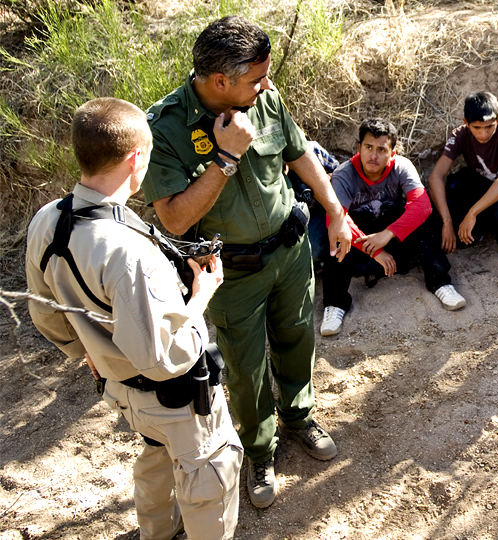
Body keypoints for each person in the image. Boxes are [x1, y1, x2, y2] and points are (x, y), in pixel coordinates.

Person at [141, 16, 351, 508]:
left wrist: (336, 213)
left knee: (298, 338)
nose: (268, 85)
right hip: (230, 272)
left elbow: (300, 155)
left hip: (291, 251)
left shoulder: (263, 96)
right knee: (245, 367)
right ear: (220, 81)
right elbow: (173, 218)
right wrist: (225, 157)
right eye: (256, 78)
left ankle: (298, 416)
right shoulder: (165, 128)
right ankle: (260, 450)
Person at [25, 98, 242, 539]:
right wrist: (200, 297)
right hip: (174, 398)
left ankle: (156, 533)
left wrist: (89, 352)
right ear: (135, 159)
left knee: (155, 457)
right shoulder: (126, 253)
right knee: (210, 475)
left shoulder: (50, 220)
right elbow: (167, 357)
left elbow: (44, 313)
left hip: (121, 389)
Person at [319, 118, 465, 336]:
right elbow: (337, 219)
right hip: (360, 243)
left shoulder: (402, 167)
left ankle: (440, 283)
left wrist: (386, 235)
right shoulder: (343, 174)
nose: (374, 155)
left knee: (419, 220)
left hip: (392, 238)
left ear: (392, 153)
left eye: (381, 149)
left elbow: (423, 205)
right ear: (359, 148)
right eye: (368, 147)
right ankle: (335, 304)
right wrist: (376, 250)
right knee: (337, 234)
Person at [427, 91, 498, 259]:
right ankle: (474, 232)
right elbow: (435, 177)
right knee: (456, 183)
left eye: (489, 127)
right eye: (476, 128)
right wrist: (447, 221)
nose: (483, 134)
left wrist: (472, 213)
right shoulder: (460, 135)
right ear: (466, 123)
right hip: (482, 193)